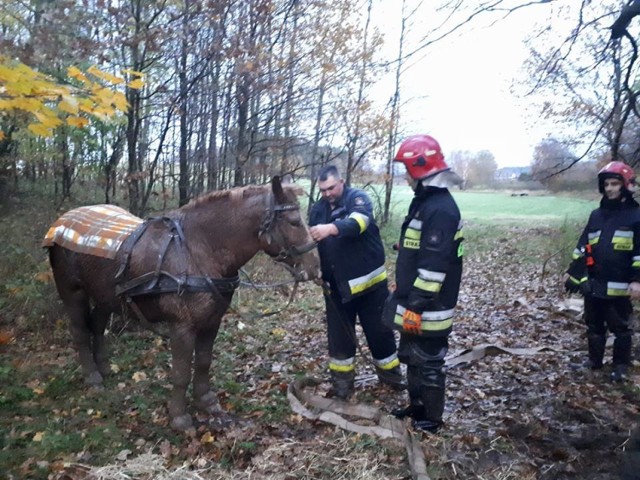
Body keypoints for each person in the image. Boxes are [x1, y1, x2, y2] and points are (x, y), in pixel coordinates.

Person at [384, 134, 464, 433]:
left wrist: (415, 305)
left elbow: (434, 268)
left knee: (428, 361)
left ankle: (430, 420)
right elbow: (424, 247)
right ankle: (417, 408)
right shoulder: (428, 203)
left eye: (407, 169)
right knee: (413, 357)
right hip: (417, 300)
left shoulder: (440, 209)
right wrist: (404, 251)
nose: (405, 176)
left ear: (420, 169)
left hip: (430, 304)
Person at [309, 165, 404, 399]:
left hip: (370, 288)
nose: (327, 193)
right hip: (336, 289)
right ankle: (342, 386)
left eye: (331, 187)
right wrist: (313, 268)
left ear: (341, 181)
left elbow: (358, 223)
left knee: (380, 336)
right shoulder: (317, 210)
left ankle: (392, 381)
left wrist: (330, 228)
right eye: (323, 190)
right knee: (339, 339)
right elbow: (311, 242)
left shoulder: (358, 198)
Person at [564, 161, 640, 382]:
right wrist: (572, 272)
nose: (610, 188)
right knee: (594, 325)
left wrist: (637, 280)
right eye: (606, 184)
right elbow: (583, 246)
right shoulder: (596, 215)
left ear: (625, 185)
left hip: (620, 283)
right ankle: (594, 362)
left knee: (621, 328)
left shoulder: (636, 216)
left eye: (615, 184)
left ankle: (620, 367)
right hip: (594, 282)